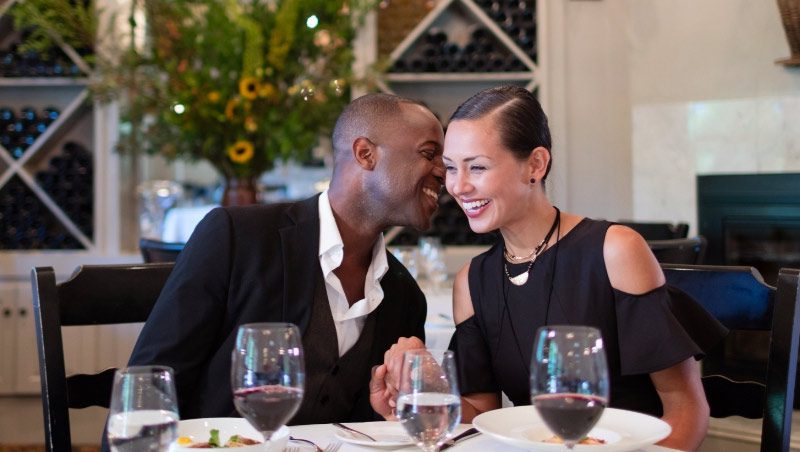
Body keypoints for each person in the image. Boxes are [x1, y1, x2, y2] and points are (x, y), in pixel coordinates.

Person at [373, 85, 726, 451]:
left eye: (477, 167)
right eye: (449, 168)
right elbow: (481, 412)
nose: (458, 186)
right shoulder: (472, 283)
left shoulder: (615, 251)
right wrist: (418, 395)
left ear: (536, 165)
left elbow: (685, 409)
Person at [126, 92, 445, 424]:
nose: (443, 172)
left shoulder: (404, 295)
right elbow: (149, 385)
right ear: (365, 154)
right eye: (429, 153)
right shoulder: (237, 239)